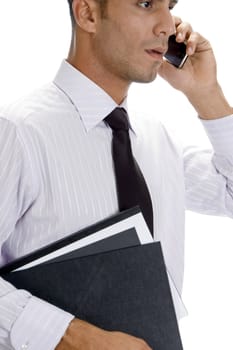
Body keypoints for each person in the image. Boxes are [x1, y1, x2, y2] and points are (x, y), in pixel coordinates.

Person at [0, 0, 233, 349]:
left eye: (169, 7)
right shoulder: (18, 132)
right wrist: (73, 337)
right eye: (145, 3)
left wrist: (206, 94)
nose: (167, 27)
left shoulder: (156, 138)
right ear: (88, 14)